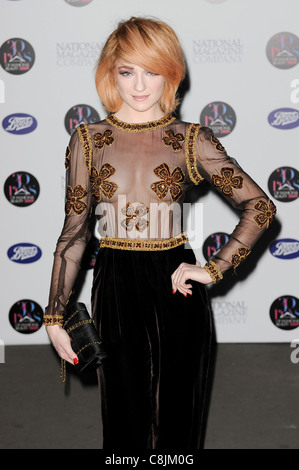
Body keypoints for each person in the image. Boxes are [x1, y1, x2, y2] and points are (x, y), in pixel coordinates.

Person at [44, 16, 276, 450]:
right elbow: (74, 232)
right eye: (127, 70)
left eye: (151, 71)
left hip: (176, 283)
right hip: (114, 282)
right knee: (123, 421)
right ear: (110, 72)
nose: (139, 85)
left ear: (170, 73)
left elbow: (260, 207)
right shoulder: (87, 140)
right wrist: (55, 315)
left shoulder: (191, 139)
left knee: (178, 417)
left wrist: (215, 268)